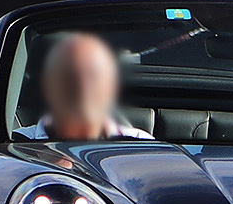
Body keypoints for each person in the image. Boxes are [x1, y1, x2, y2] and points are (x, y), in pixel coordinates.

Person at [18, 32, 151, 141]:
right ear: (47, 86)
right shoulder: (12, 147)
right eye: (69, 76)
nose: (82, 87)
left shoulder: (142, 146)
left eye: (93, 75)